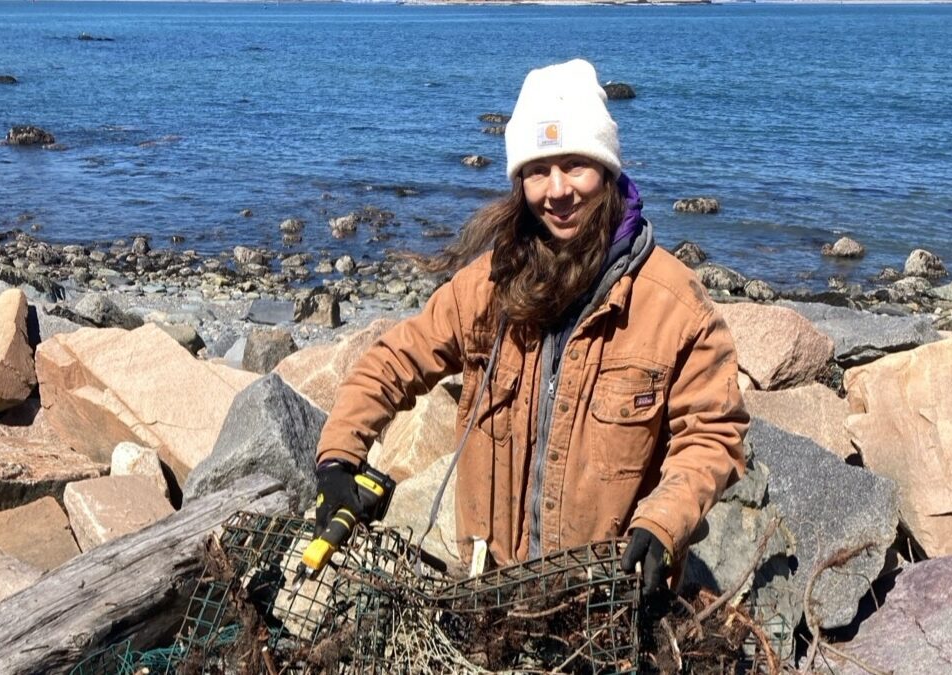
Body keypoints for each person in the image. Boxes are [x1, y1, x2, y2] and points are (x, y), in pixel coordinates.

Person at [313, 58, 748, 596]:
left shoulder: (674, 306)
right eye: (539, 170)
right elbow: (393, 360)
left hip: (607, 595)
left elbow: (712, 434)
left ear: (608, 171)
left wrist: (663, 523)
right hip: (492, 589)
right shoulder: (487, 287)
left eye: (575, 165)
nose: (558, 190)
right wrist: (337, 458)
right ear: (520, 181)